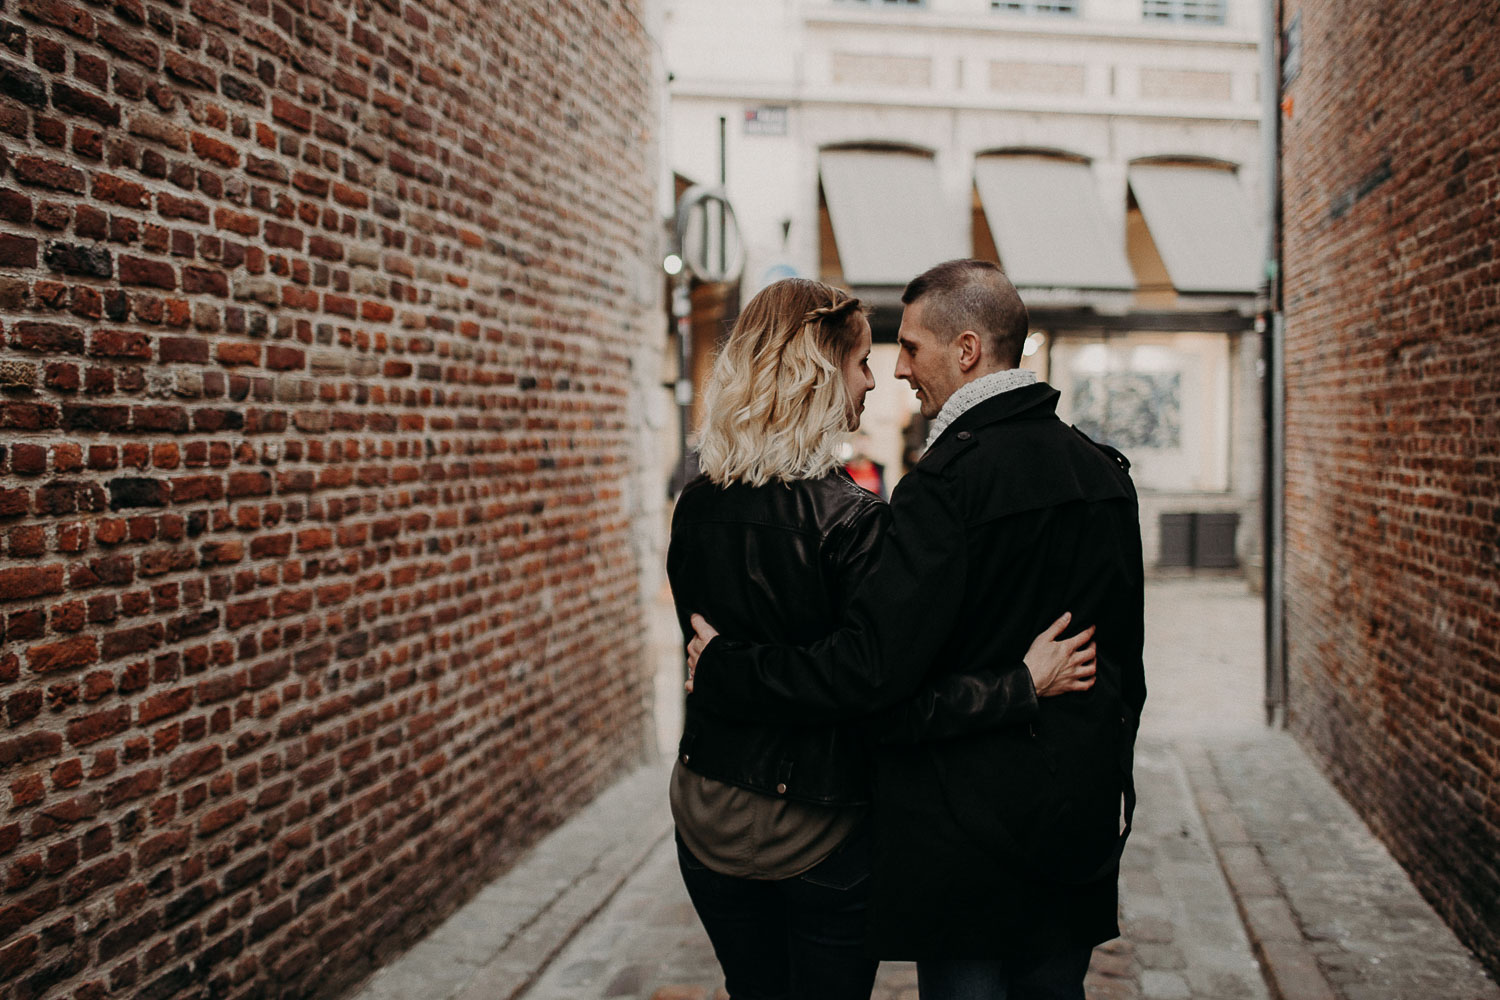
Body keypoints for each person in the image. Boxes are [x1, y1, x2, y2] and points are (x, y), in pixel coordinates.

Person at [686, 260, 1147, 1000]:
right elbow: (1127, 676)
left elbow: (880, 684)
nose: (896, 373)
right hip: (1075, 827)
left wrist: (726, 670)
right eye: (876, 356)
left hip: (962, 837)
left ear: (967, 351)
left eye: (909, 350)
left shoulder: (938, 489)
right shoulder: (1104, 474)